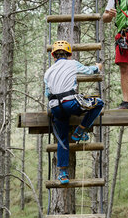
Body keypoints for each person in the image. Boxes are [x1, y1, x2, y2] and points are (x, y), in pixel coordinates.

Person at [44, 40, 104, 184]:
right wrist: (97, 67)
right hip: (69, 103)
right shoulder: (72, 63)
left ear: (54, 56)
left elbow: (47, 93)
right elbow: (89, 71)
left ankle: (63, 174)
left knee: (62, 139)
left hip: (55, 107)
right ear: (69, 54)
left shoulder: (48, 71)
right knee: (99, 103)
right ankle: (79, 131)